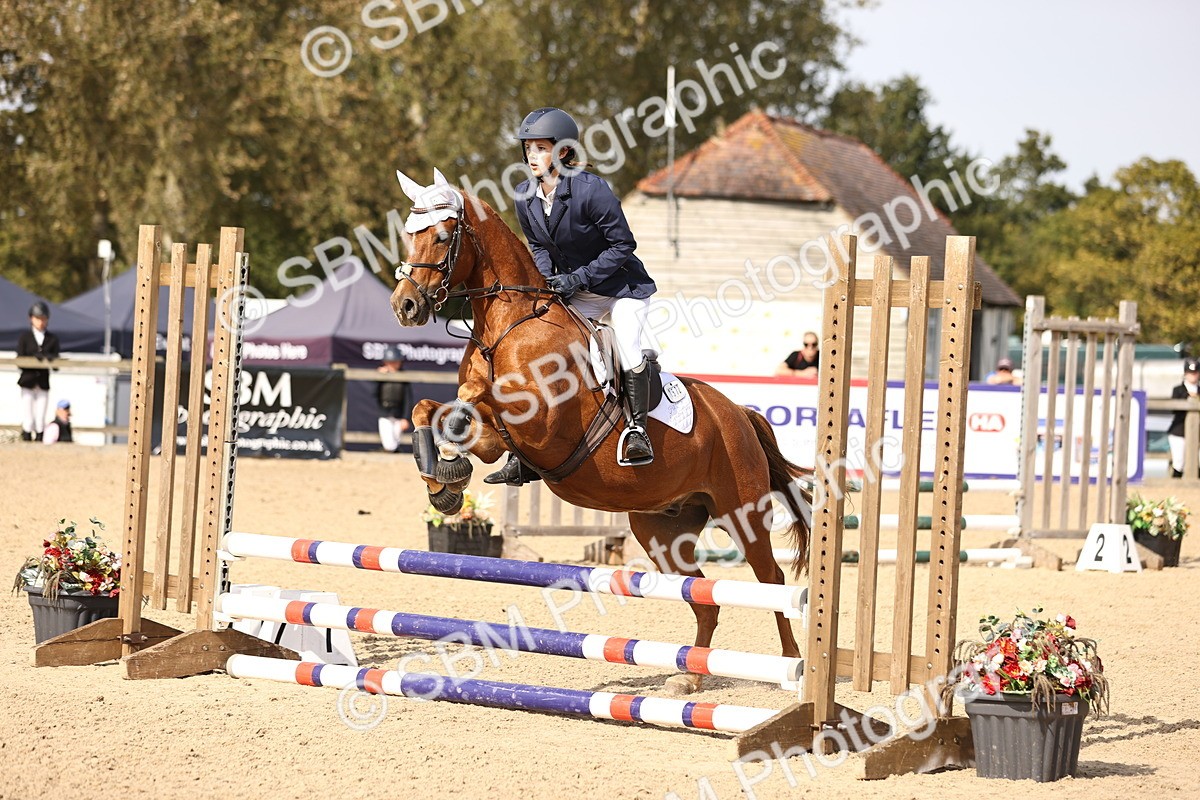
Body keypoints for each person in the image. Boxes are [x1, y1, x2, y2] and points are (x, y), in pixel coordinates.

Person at [484, 106, 658, 486]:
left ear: (562, 151)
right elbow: (538, 246)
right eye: (528, 148)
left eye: (540, 148)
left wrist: (577, 278)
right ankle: (527, 453)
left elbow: (623, 245)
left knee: (627, 347)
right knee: (545, 347)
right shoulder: (524, 195)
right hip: (576, 290)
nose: (531, 156)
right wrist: (548, 279)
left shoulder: (590, 190)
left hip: (620, 289)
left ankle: (638, 430)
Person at [16, 302, 60, 442]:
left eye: (43, 319)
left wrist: (48, 358)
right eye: (38, 318)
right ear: (31, 319)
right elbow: (19, 361)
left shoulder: (52, 339)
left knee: (41, 416)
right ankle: (26, 439)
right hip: (28, 380)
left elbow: (56, 365)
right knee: (28, 416)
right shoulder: (25, 338)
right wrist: (34, 358)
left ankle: (40, 440)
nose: (41, 322)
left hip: (42, 380)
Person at [1168, 359, 1200, 478]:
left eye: (1195, 372)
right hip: (1179, 430)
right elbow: (1174, 409)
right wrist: (1188, 397)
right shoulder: (1178, 390)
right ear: (1185, 373)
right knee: (1179, 462)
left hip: (1198, 432)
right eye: (1190, 372)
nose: (1193, 375)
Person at [377, 346, 411, 453]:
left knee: (395, 441)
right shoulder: (381, 376)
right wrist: (377, 377)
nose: (393, 365)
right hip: (385, 413)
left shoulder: (404, 377)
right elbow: (374, 393)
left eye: (395, 362)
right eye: (390, 362)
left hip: (398, 413)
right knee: (389, 444)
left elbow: (408, 398)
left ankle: (392, 454)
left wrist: (406, 418)